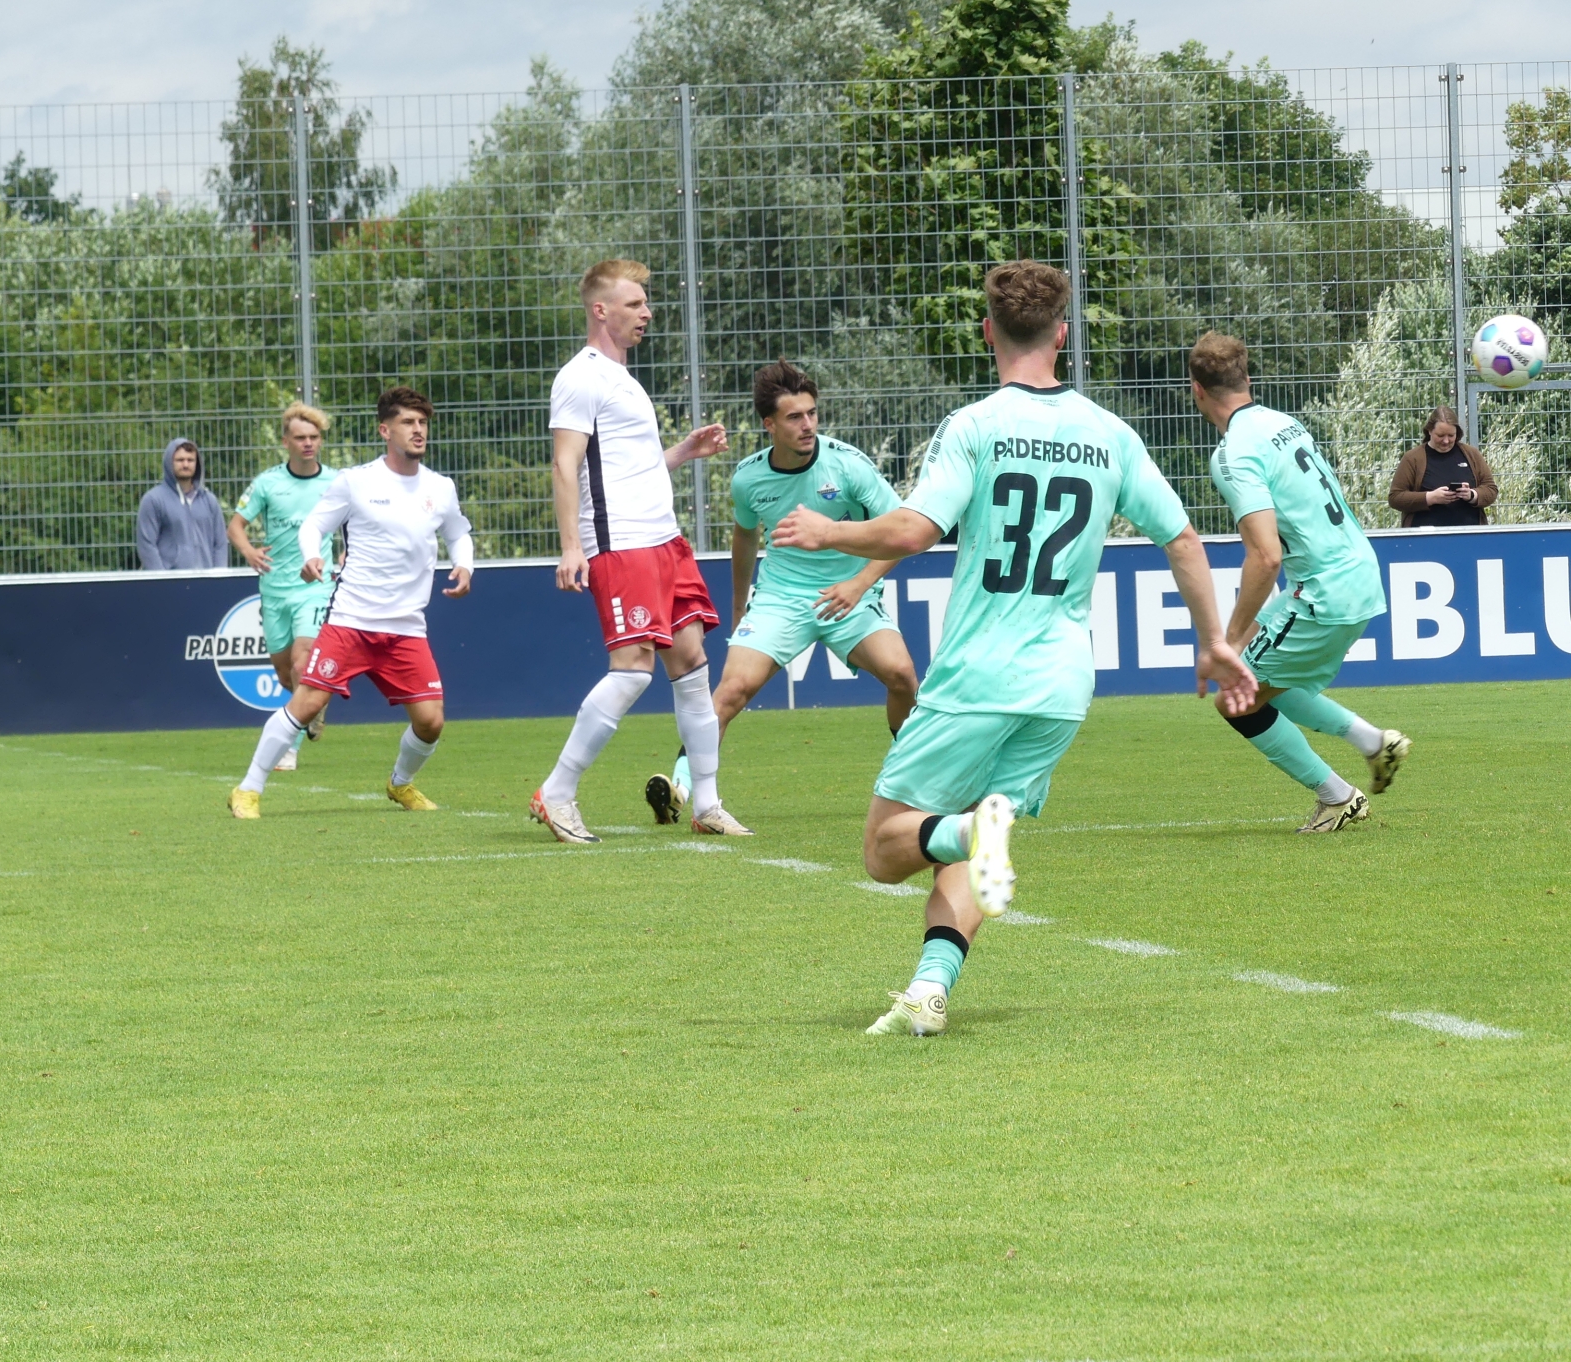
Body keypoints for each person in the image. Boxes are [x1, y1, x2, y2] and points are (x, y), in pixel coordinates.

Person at [772, 261, 1258, 1038]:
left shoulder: (975, 425)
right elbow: (1183, 540)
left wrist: (830, 531)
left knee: (886, 850)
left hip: (978, 675)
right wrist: (1214, 641)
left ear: (988, 332)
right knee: (969, 838)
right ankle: (929, 991)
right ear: (1062, 335)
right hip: (1060, 686)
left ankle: (972, 834)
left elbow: (914, 530)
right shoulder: (1110, 433)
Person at [529, 258, 744, 844]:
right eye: (634, 303)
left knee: (692, 666)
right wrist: (571, 547)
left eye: (645, 302)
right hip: (620, 545)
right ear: (601, 310)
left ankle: (707, 803)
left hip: (664, 541)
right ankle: (556, 792)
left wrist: (682, 453)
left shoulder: (622, 377)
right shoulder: (581, 376)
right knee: (632, 671)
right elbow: (566, 464)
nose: (647, 312)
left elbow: (626, 467)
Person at [648, 359, 919, 822]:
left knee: (902, 675)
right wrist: (739, 608)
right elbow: (745, 538)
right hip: (780, 599)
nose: (808, 424)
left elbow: (903, 531)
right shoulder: (749, 479)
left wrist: (858, 584)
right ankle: (680, 788)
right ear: (769, 425)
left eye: (812, 413)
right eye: (795, 417)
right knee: (730, 692)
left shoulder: (849, 465)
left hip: (847, 595)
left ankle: (911, 779)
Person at [1191, 332, 1411, 831]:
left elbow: (1265, 556)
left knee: (1235, 698)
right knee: (1257, 679)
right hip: (1357, 572)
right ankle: (1374, 743)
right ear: (1247, 379)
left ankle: (1338, 797)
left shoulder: (1232, 454)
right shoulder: (1283, 423)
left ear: (1197, 390)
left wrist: (1226, 641)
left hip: (1323, 592)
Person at [228, 387, 473, 819]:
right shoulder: (356, 481)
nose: (418, 430)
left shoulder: (441, 487)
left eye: (422, 423)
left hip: (406, 628)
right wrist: (311, 555)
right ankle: (248, 789)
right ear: (385, 430)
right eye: (408, 422)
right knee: (306, 703)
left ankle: (400, 783)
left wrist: (465, 565)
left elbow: (458, 533)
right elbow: (313, 526)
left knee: (431, 720)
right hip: (351, 621)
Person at [228, 403, 340, 771]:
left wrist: (348, 553)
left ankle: (289, 748)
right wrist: (249, 552)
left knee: (301, 661)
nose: (308, 443)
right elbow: (235, 526)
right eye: (300, 437)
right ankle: (315, 703)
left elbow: (358, 522)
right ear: (285, 442)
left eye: (314, 437)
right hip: (274, 589)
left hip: (315, 587)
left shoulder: (336, 482)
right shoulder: (267, 483)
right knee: (284, 673)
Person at [1388, 406, 1499, 527]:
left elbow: (1491, 490)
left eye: (1451, 435)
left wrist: (1471, 495)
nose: (1446, 441)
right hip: (1425, 533)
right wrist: (1430, 498)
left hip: (1469, 532)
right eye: (1440, 435)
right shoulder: (1412, 458)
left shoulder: (1472, 454)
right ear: (1429, 431)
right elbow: (1395, 498)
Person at [137, 439, 229, 570]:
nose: (185, 464)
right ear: (169, 462)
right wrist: (161, 578)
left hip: (205, 579)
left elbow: (220, 544)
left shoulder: (209, 501)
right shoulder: (153, 500)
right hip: (170, 580)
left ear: (197, 463)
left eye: (190, 460)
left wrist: (219, 575)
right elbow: (147, 545)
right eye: (180, 460)